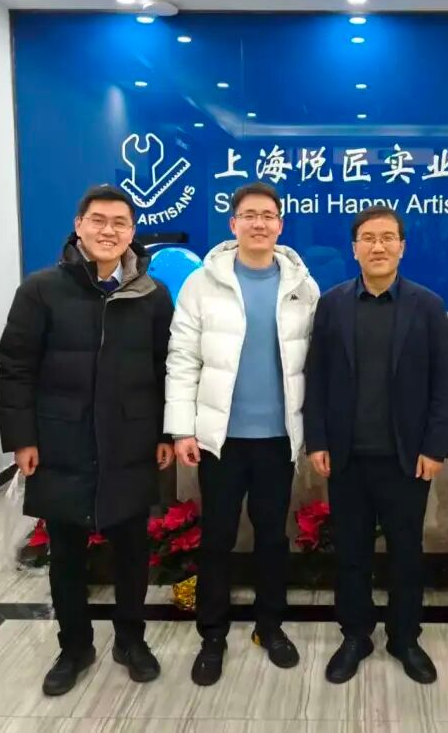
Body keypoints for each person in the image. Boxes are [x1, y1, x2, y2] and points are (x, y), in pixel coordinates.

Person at [0, 184, 174, 696]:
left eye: (120, 223)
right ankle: (74, 647)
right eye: (98, 220)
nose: (108, 231)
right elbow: (15, 366)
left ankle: (130, 641)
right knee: (67, 552)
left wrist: (165, 431)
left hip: (131, 439)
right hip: (61, 439)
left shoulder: (151, 294)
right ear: (79, 226)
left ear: (132, 232)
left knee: (132, 550)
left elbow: (167, 368)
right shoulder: (41, 290)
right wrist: (22, 438)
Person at [165, 181, 319, 686]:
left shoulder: (302, 286)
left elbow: (315, 364)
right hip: (220, 440)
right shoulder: (202, 284)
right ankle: (212, 634)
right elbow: (182, 359)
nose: (259, 223)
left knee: (273, 537)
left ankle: (269, 626)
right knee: (218, 537)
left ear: (280, 224)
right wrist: (181, 429)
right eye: (249, 215)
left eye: (268, 215)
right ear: (233, 224)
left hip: (278, 438)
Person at [304, 205, 448, 685]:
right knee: (351, 553)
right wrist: (317, 439)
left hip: (407, 459)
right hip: (346, 457)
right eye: (368, 238)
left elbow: (444, 385)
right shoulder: (332, 304)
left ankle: (405, 638)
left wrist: (435, 447)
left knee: (406, 553)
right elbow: (316, 377)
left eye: (388, 237)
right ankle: (355, 635)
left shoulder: (427, 305)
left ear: (402, 247)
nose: (378, 246)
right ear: (354, 248)